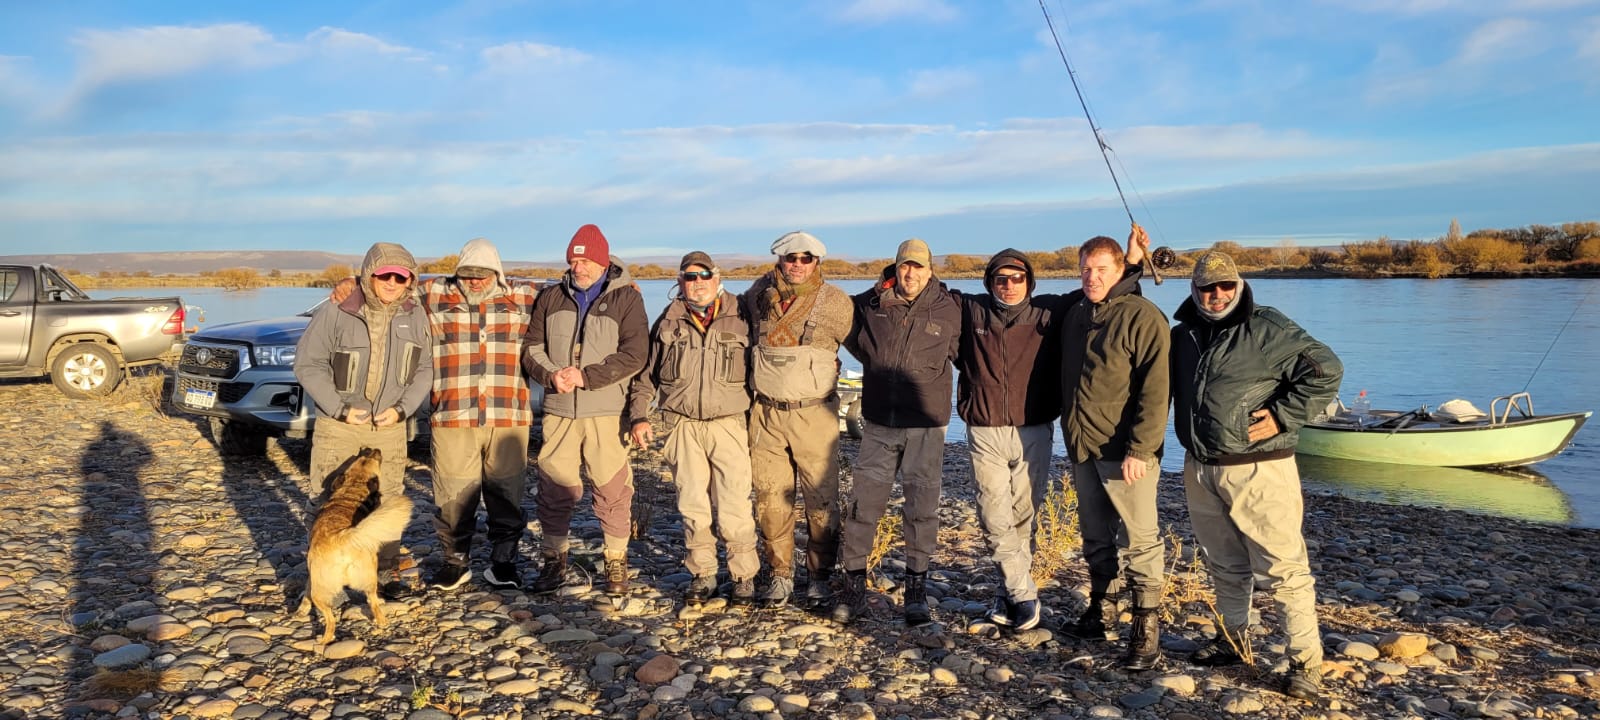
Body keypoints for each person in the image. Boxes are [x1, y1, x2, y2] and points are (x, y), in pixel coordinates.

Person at [1167, 251, 1342, 700]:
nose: (1217, 295)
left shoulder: (1268, 328)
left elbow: (1326, 370)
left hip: (1261, 469)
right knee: (1224, 562)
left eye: (1226, 286)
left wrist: (1284, 416)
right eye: (1207, 288)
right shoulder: (1182, 334)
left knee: (1283, 569)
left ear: (1240, 284)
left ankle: (1305, 661)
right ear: (1194, 290)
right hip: (1201, 467)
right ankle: (1232, 640)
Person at [956, 239, 1146, 632]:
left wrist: (1132, 261)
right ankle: (1025, 595)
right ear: (990, 281)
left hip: (1035, 430)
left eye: (1017, 278)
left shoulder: (1052, 311)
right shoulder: (970, 309)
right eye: (1000, 278)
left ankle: (1009, 593)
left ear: (1030, 281)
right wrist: (893, 280)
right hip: (984, 429)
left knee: (1024, 518)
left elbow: (1104, 287)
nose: (1009, 285)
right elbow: (925, 294)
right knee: (994, 517)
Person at [296, 242, 434, 598]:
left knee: (387, 500)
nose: (391, 282)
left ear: (409, 281)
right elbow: (308, 365)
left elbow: (424, 369)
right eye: (383, 274)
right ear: (368, 275)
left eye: (399, 277)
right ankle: (323, 581)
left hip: (390, 424)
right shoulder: (336, 309)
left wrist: (403, 409)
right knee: (327, 497)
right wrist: (339, 407)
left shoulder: (415, 314)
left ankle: (385, 573)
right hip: (339, 423)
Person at [1059, 230, 1170, 671]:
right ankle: (1100, 609)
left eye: (1102, 269)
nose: (1092, 277)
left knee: (1140, 540)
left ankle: (1146, 627)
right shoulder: (1077, 313)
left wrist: (1141, 449)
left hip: (1127, 452)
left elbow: (1156, 391)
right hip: (1083, 445)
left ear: (1118, 270)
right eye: (1086, 269)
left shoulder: (1144, 317)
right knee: (1095, 535)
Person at [835, 238, 960, 626]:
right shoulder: (871, 304)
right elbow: (847, 333)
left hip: (926, 426)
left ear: (930, 269)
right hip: (878, 425)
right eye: (905, 266)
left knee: (921, 509)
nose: (911, 273)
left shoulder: (952, 307)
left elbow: (970, 353)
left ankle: (917, 591)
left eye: (919, 267)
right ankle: (853, 586)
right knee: (862, 507)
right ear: (896, 267)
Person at [521, 224, 649, 597]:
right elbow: (532, 347)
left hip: (606, 410)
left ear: (603, 260)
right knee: (554, 488)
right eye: (574, 260)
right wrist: (550, 375)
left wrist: (587, 376)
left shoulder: (627, 298)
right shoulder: (550, 297)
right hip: (559, 410)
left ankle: (615, 562)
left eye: (587, 260)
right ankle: (553, 561)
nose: (579, 267)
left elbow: (635, 354)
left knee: (612, 488)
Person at [627, 252, 760, 606]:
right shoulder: (667, 322)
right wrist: (639, 416)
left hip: (729, 423)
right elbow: (645, 378)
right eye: (689, 277)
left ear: (717, 278)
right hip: (681, 424)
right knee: (692, 503)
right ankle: (702, 573)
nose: (697, 283)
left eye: (704, 275)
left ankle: (744, 575)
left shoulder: (744, 316)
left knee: (734, 503)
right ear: (680, 281)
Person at [418, 239, 541, 590]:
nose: (474, 281)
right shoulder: (432, 294)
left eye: (482, 275)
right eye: (467, 275)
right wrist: (349, 287)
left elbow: (578, 289)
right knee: (453, 493)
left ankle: (503, 563)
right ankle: (455, 562)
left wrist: (622, 284)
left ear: (497, 273)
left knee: (507, 493)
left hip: (509, 417)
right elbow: (385, 284)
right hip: (453, 415)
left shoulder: (525, 297)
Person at [741, 230, 855, 609]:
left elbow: (868, 341)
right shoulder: (757, 296)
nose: (798, 265)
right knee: (770, 499)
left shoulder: (837, 302)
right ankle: (779, 574)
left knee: (822, 501)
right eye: (792, 258)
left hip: (815, 414)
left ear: (817, 262)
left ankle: (820, 576)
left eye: (806, 259)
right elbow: (729, 320)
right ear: (780, 260)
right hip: (766, 414)